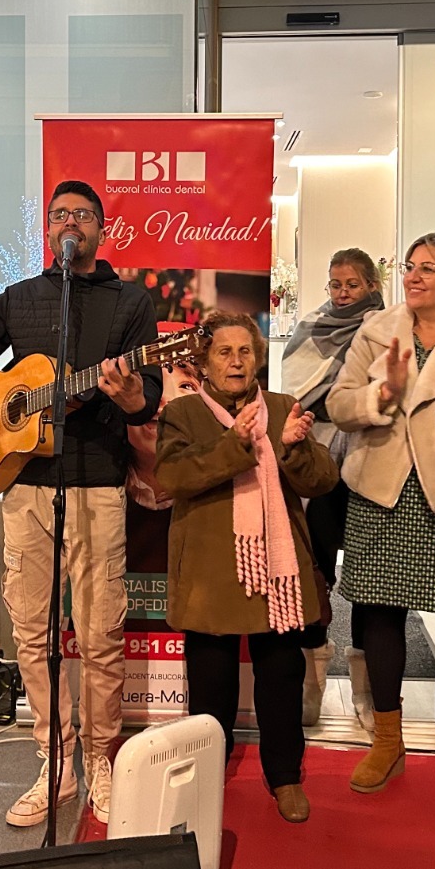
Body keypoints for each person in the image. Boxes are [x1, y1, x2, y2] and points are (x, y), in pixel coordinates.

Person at [0, 180, 162, 828]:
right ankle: (53, 762)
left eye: (82, 215)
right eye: (60, 214)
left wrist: (130, 397)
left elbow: (148, 391)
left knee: (100, 634)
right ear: (49, 229)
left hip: (99, 486)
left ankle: (101, 759)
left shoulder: (130, 302)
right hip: (27, 489)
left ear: (100, 229)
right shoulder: (21, 298)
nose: (70, 223)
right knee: (32, 633)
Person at [326, 233, 435, 800]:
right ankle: (387, 739)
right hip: (380, 490)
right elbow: (338, 404)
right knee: (379, 615)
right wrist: (381, 394)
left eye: (429, 268)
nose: (414, 276)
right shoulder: (376, 330)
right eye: (410, 266)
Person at [155, 310, 338, 824]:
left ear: (258, 358)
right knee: (211, 686)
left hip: (277, 575)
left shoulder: (281, 408)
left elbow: (322, 481)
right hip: (210, 576)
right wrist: (233, 443)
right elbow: (173, 476)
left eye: (244, 351)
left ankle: (285, 776)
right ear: (205, 363)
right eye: (223, 352)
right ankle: (206, 773)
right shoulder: (183, 412)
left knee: (282, 677)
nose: (235, 361)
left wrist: (294, 450)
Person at [280, 247, 386, 729]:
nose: (343, 293)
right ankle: (312, 682)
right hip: (317, 456)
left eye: (352, 284)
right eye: (336, 284)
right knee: (314, 568)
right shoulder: (312, 326)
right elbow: (295, 388)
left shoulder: (388, 328)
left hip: (369, 455)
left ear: (372, 286)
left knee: (367, 574)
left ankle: (367, 692)